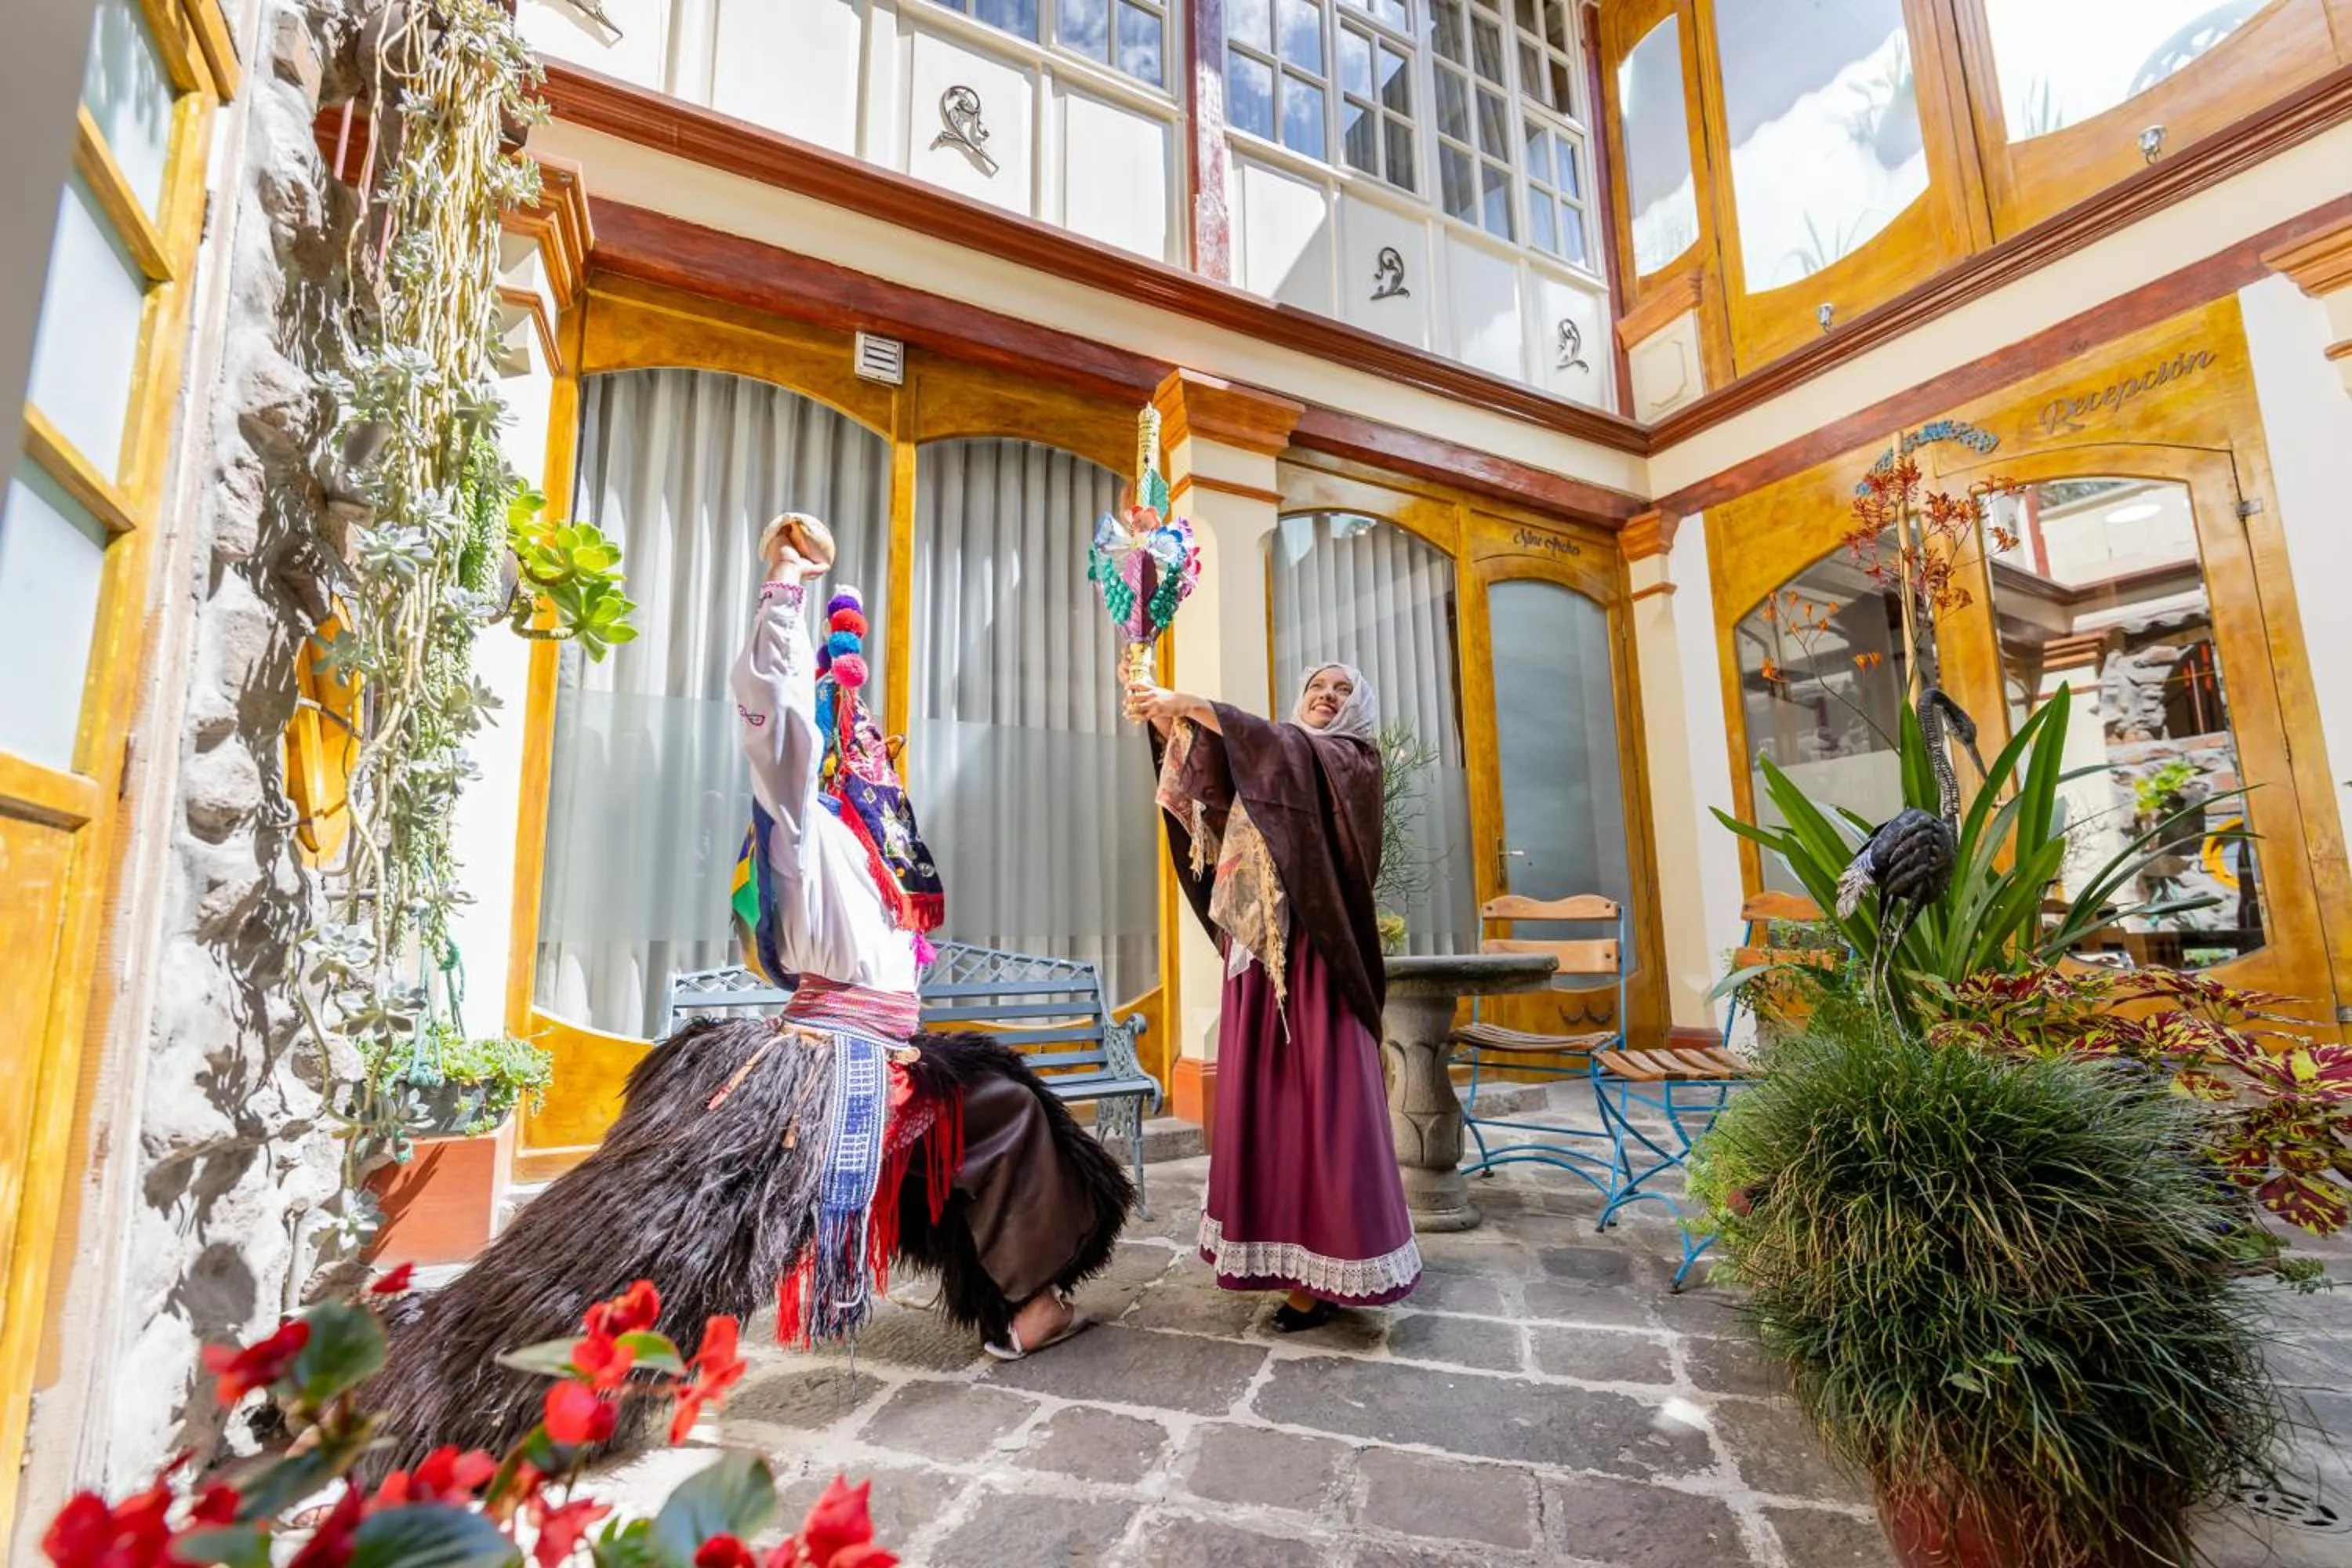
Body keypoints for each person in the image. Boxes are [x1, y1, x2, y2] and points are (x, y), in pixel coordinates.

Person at [367, 514, 1129, 1468]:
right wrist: (784, 591)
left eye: (880, 743)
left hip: (880, 1058)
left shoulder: (883, 861)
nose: (877, 752)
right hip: (823, 1064)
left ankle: (1018, 1299)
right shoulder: (802, 819)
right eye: (859, 738)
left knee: (1004, 1110)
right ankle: (495, 1383)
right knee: (686, 1224)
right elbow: (779, 715)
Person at [1127, 662, 1420, 1330]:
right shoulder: (1279, 757)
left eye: (1343, 690)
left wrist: (1194, 701)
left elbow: (1281, 754)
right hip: (1259, 953)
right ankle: (1286, 1262)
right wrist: (1163, 718)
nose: (1327, 696)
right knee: (1271, 1103)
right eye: (1319, 685)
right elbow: (1219, 790)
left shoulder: (1353, 761)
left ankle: (1340, 1256)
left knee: (1328, 1102)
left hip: (1320, 953)